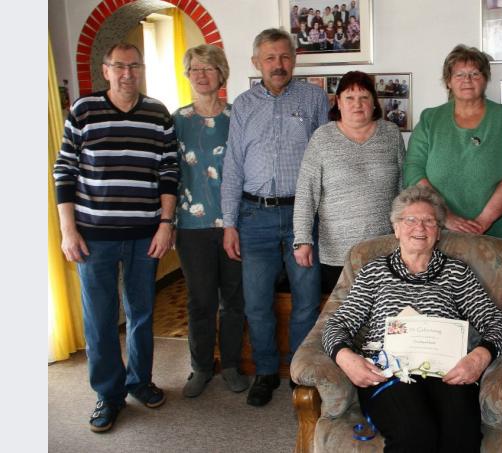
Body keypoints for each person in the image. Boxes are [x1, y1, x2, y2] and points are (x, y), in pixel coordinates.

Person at [322, 185, 502, 452]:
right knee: (415, 435)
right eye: (410, 219)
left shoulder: (457, 273)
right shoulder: (374, 272)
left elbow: (499, 325)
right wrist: (346, 358)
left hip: (448, 373)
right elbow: (336, 324)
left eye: (429, 221)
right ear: (396, 228)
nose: (419, 227)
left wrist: (479, 358)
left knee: (461, 438)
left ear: (438, 231)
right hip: (389, 373)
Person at [53, 42, 178, 432]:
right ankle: (108, 395)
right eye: (119, 66)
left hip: (146, 236)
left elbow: (169, 172)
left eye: (134, 66)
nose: (128, 73)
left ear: (141, 70)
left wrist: (166, 223)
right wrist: (67, 230)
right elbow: (64, 172)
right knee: (100, 320)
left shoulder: (158, 113)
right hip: (94, 237)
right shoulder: (84, 111)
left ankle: (139, 381)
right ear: (105, 70)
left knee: (142, 314)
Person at [221, 28, 329, 407]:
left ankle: (300, 373)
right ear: (256, 63)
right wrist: (230, 222)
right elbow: (232, 165)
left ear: (294, 58)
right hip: (254, 217)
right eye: (269, 58)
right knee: (256, 302)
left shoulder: (315, 98)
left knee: (306, 299)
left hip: (302, 216)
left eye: (284, 56)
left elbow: (324, 159)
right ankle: (266, 371)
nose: (278, 64)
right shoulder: (243, 104)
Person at [172, 44, 250, 398]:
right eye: (195, 69)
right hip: (191, 226)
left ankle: (231, 365)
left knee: (234, 299)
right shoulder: (177, 121)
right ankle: (201, 367)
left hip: (235, 223)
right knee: (200, 300)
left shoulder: (239, 117)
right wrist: (168, 220)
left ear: (222, 74)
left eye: (209, 68)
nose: (202, 75)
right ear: (188, 75)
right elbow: (168, 173)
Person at [293, 71, 405, 294]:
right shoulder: (322, 138)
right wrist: (302, 240)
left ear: (374, 103)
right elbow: (307, 192)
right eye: (350, 98)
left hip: (385, 248)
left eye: (364, 97)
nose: (357, 104)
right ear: (338, 103)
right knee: (343, 318)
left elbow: (404, 188)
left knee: (385, 315)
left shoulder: (391, 134)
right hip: (338, 254)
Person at [404, 44, 502, 241]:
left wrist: (483, 221)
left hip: (497, 236)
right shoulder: (430, 119)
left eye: (475, 74)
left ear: (485, 79)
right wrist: (446, 216)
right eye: (459, 75)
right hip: (440, 234)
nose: (467, 80)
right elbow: (413, 171)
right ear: (448, 82)